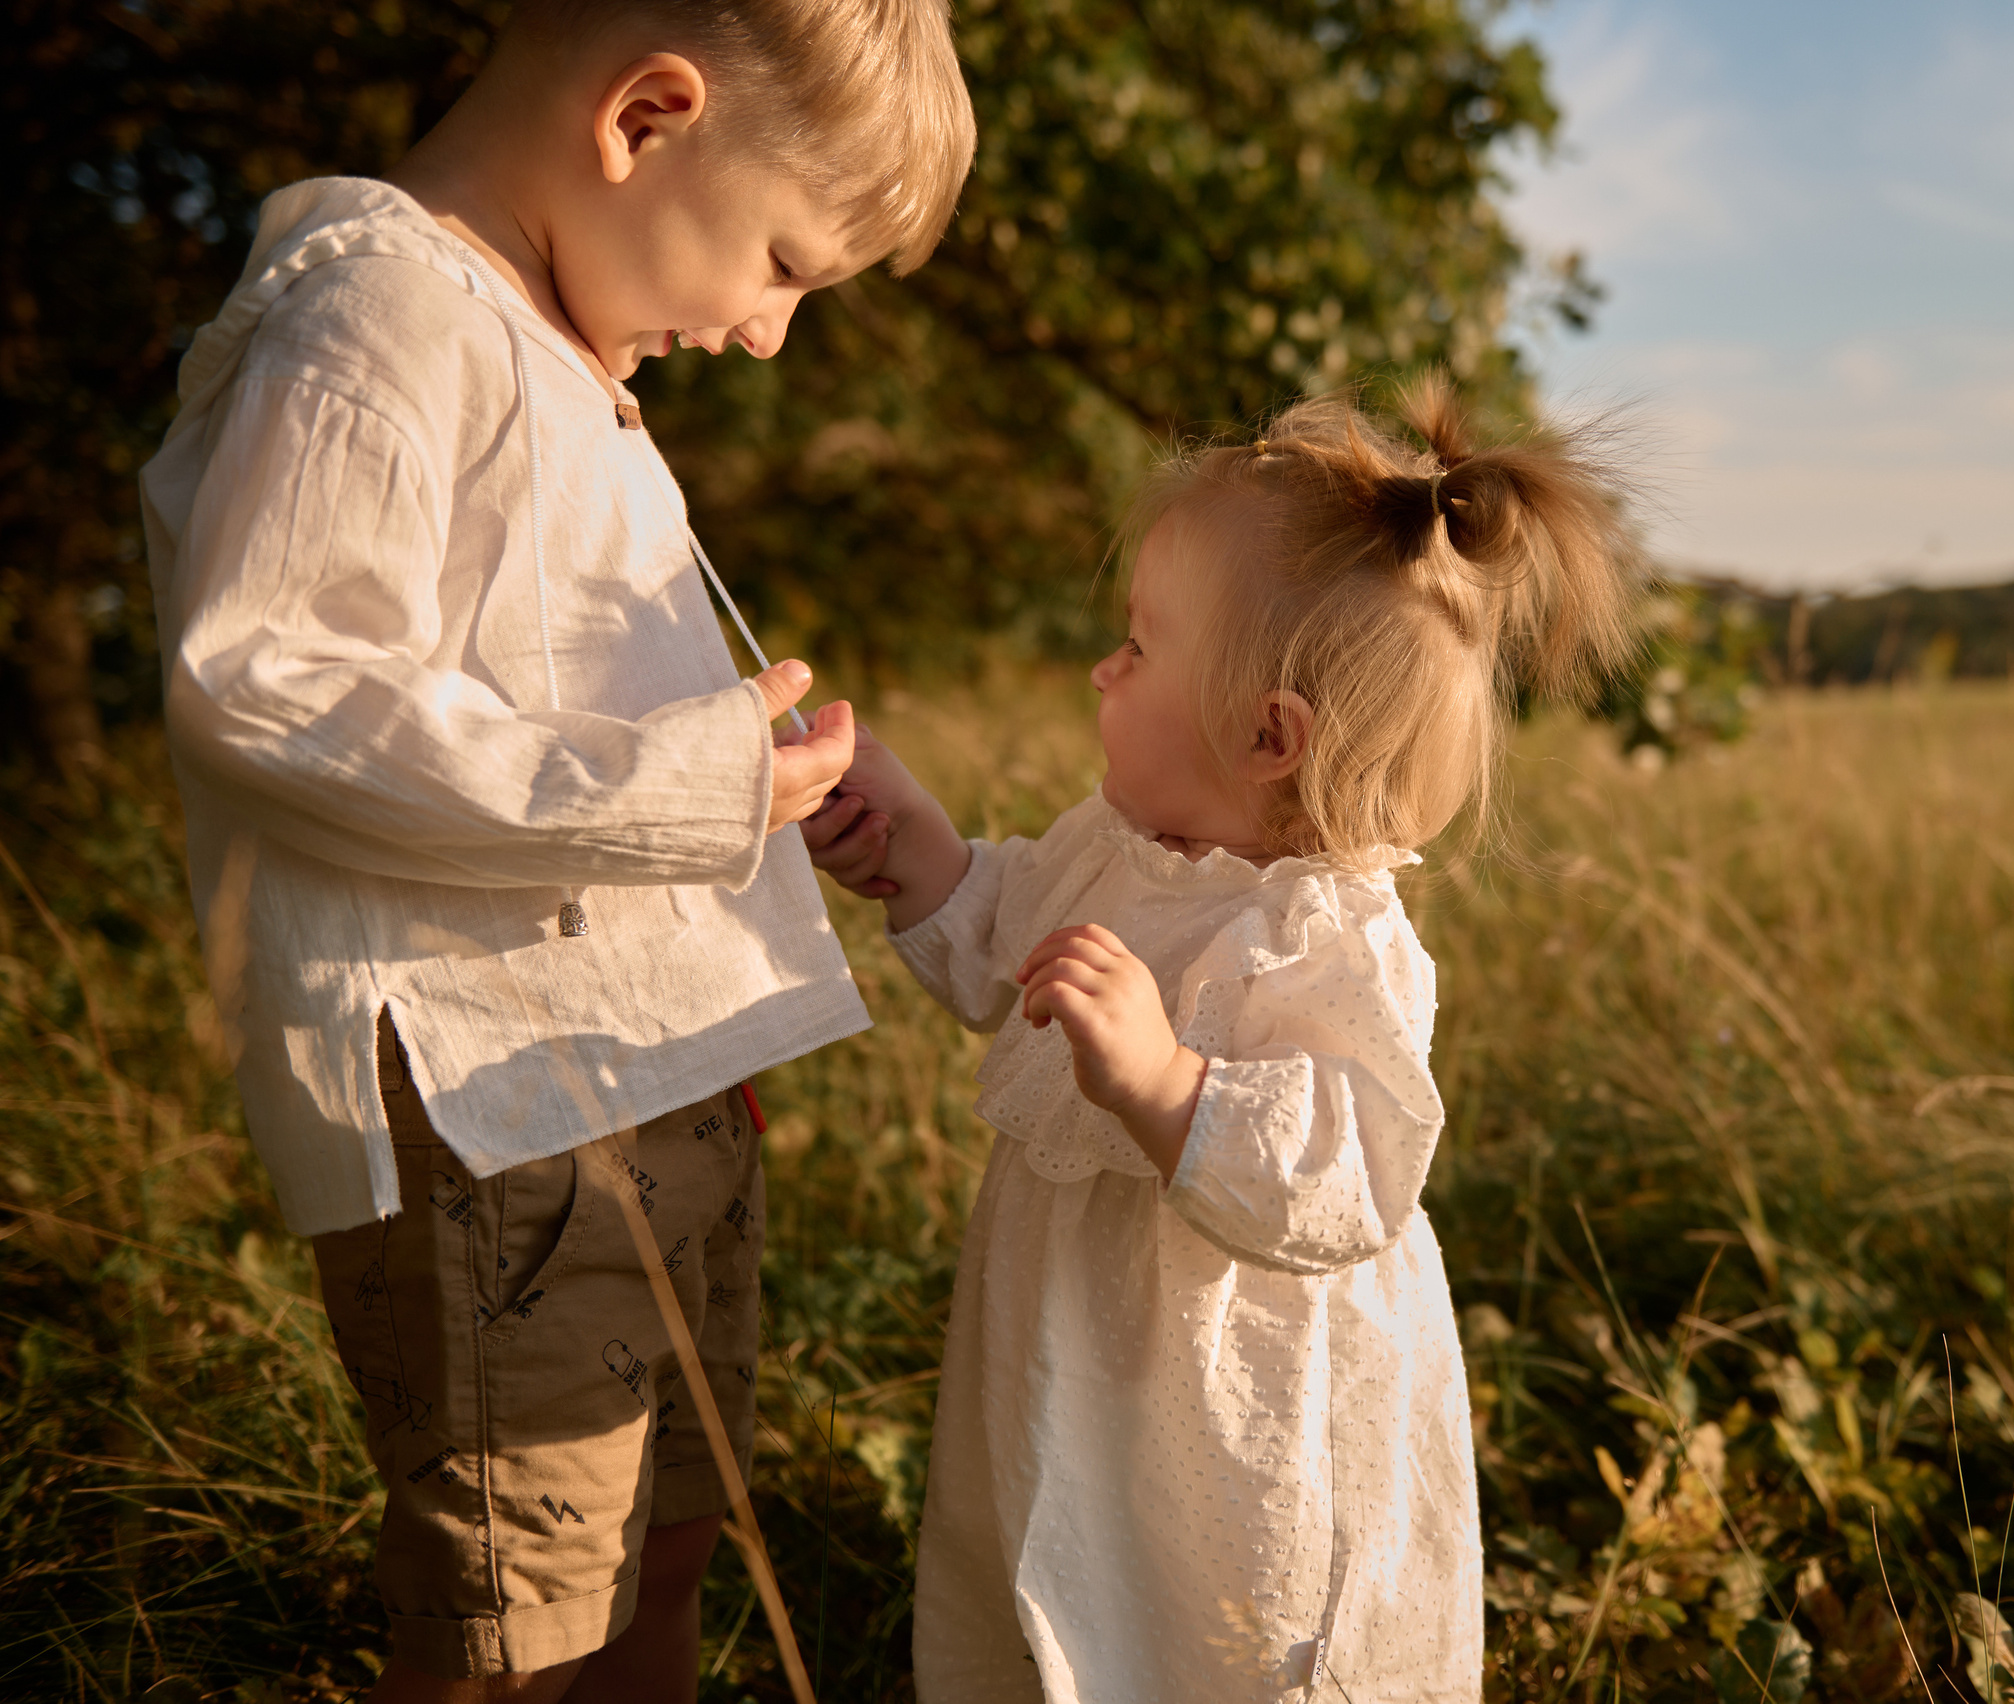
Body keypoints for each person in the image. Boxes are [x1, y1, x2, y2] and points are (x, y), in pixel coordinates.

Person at [136, 2, 974, 1697]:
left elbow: (551, 697)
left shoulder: (561, 351)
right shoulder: (381, 309)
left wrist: (766, 791)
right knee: (527, 1616)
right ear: (649, 118)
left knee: (671, 1535)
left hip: (645, 1085)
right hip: (494, 1120)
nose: (769, 336)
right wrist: (678, 791)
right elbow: (272, 679)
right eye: (784, 263)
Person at [802, 375, 1643, 1701]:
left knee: (1217, 1628)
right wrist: (907, 838)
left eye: (1139, 646)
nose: (1103, 667)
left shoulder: (1334, 937)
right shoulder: (1112, 850)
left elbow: (1354, 1169)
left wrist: (1170, 1084)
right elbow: (1003, 936)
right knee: (1048, 1568)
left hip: (1232, 1398)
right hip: (1068, 1357)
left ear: (1268, 735)